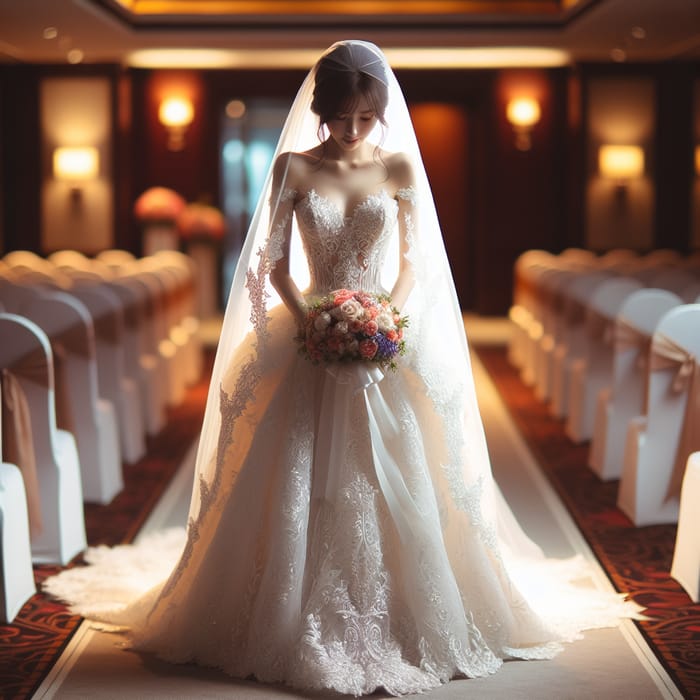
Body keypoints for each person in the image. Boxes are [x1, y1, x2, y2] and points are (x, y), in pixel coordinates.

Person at [45, 40, 638, 697]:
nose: (350, 131)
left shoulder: (399, 169)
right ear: (321, 112)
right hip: (310, 333)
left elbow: (414, 266)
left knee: (410, 470)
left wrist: (382, 320)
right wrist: (314, 322)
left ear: (378, 113)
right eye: (338, 118)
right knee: (292, 473)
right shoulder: (293, 169)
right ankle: (287, 603)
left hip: (384, 332)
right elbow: (269, 269)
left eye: (362, 118)